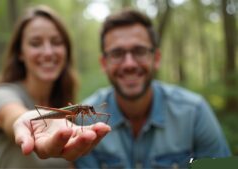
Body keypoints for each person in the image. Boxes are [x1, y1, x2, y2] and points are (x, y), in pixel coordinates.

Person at [74, 8, 231, 169]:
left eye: (139, 51)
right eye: (117, 53)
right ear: (104, 64)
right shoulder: (84, 121)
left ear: (156, 59)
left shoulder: (195, 112)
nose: (129, 64)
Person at [0, 5, 111, 168]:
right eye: (36, 43)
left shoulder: (66, 100)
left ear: (66, 50)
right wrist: (25, 121)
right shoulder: (1, 94)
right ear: (20, 53)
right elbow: (10, 115)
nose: (48, 52)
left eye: (57, 42)